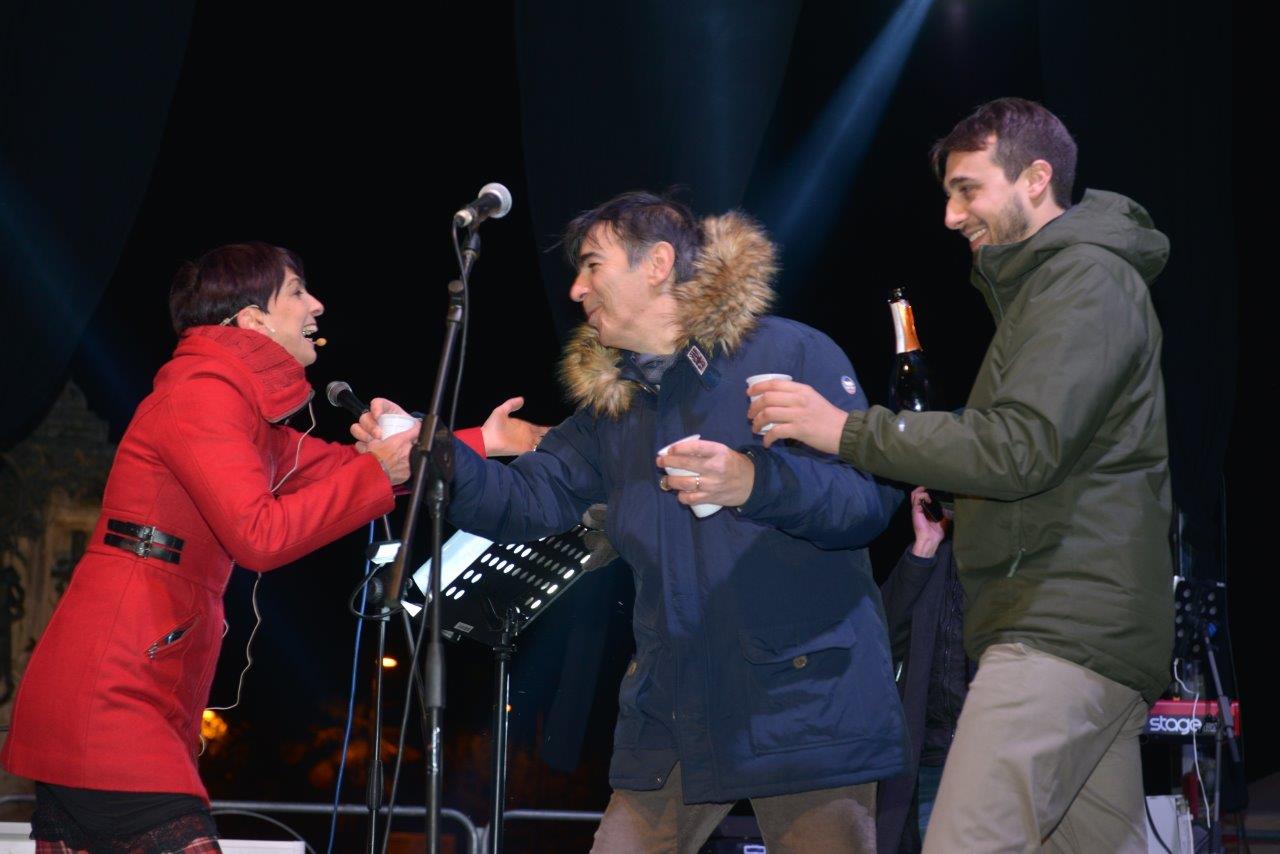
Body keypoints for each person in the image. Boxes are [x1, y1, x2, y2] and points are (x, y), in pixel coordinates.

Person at [355, 191, 906, 852]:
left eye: (593, 265)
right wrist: (438, 451)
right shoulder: (612, 410)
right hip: (673, 709)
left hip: (801, 700)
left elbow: (868, 500)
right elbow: (526, 499)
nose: (576, 288)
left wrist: (755, 481)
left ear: (658, 264)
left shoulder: (787, 351)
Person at [747, 98, 1173, 851]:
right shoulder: (1057, 289)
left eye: (967, 189)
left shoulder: (1082, 280)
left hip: (1058, 629)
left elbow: (1020, 448)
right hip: (1089, 635)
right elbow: (1046, 456)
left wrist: (843, 430)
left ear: (1035, 178)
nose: (950, 215)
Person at [1, 243, 419, 852]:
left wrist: (481, 444)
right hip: (112, 691)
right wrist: (378, 469)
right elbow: (261, 535)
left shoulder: (235, 409)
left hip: (136, 683)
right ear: (252, 320)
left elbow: (337, 468)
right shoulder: (203, 392)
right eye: (297, 291)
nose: (317, 305)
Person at [876, 487, 967, 853]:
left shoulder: (1005, 563)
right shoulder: (928, 558)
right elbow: (881, 643)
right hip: (927, 763)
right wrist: (924, 546)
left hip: (988, 759)